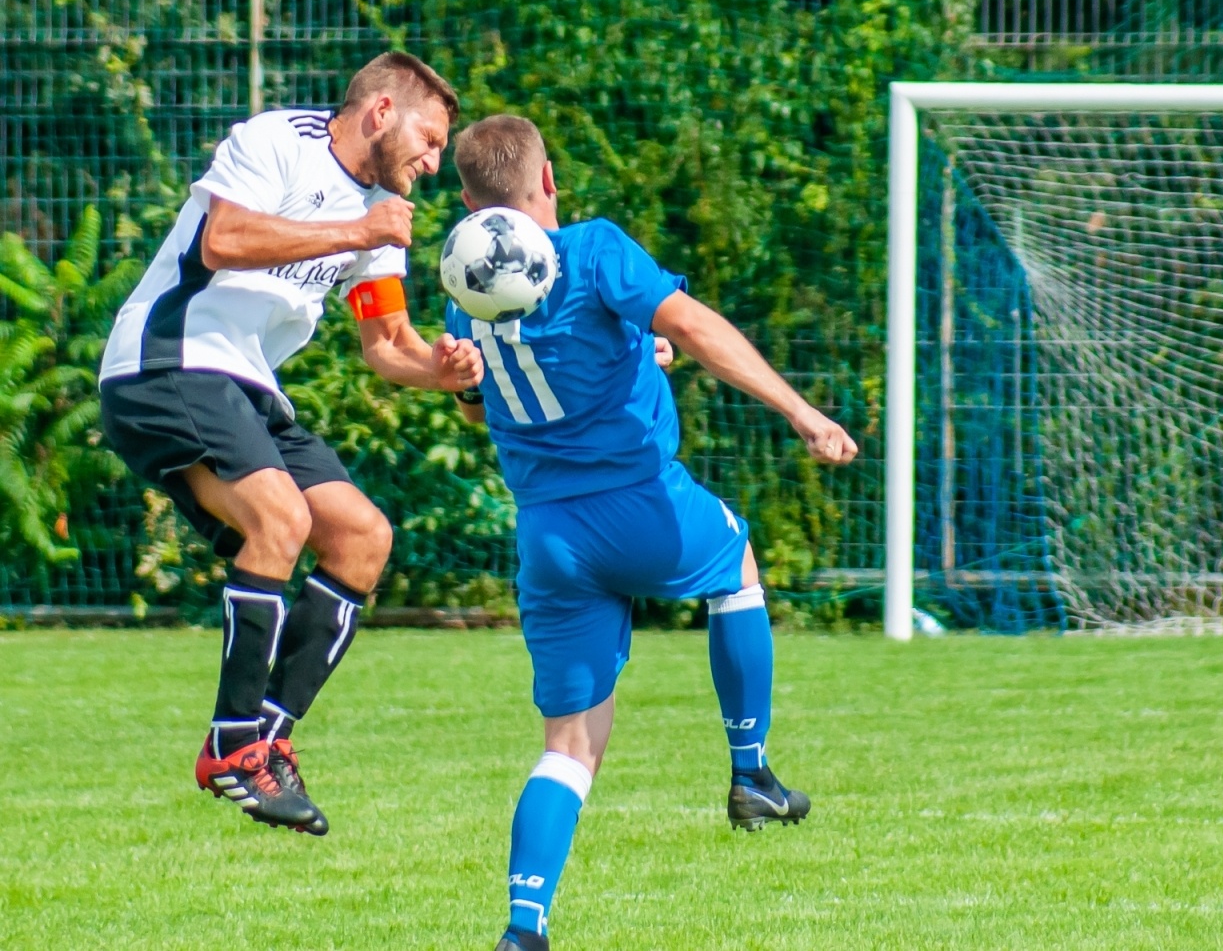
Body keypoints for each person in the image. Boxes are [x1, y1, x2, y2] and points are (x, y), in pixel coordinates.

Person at [444, 114, 857, 951]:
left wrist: (634, 354)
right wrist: (803, 413)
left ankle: (524, 929)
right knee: (736, 564)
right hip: (637, 504)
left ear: (467, 200)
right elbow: (696, 326)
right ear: (549, 179)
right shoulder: (593, 249)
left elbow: (495, 389)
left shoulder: (469, 281)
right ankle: (751, 774)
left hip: (549, 538)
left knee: (568, 748)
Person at [98, 51, 484, 833]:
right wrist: (358, 227)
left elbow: (387, 342)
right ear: (381, 111)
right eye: (432, 139)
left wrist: (447, 371)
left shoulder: (383, 214)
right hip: (168, 360)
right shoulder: (279, 141)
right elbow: (222, 241)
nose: (436, 163)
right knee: (282, 519)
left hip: (247, 384)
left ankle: (265, 742)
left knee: (363, 539)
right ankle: (233, 744)